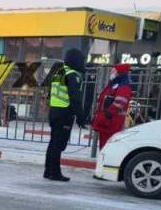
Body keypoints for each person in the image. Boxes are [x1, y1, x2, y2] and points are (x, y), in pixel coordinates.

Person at [44, 48, 87, 182]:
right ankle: (55, 173)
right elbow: (75, 98)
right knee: (58, 145)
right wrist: (81, 116)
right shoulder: (73, 75)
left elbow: (50, 93)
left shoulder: (59, 72)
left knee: (53, 143)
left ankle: (48, 170)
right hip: (64, 114)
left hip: (54, 112)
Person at [92, 63, 133, 150]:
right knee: (104, 147)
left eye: (113, 71)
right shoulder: (114, 84)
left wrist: (107, 114)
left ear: (119, 73)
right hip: (107, 122)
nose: (111, 73)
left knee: (108, 148)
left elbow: (120, 103)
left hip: (112, 122)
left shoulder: (123, 86)